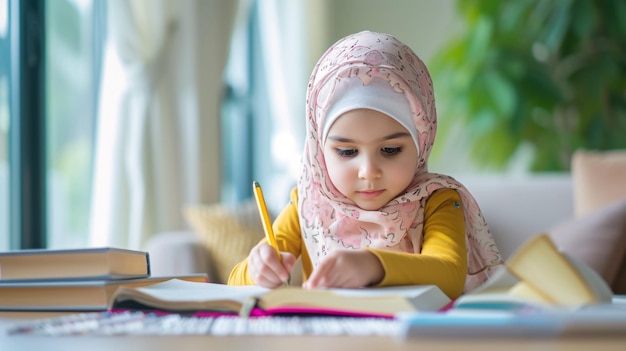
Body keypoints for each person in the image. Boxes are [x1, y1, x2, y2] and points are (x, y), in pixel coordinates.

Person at [228, 30, 502, 299]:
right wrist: (257, 269)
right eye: (347, 152)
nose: (368, 171)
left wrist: (371, 265)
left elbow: (449, 274)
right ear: (318, 151)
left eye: (390, 149)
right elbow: (234, 281)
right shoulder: (308, 203)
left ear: (422, 142)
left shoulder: (437, 201)